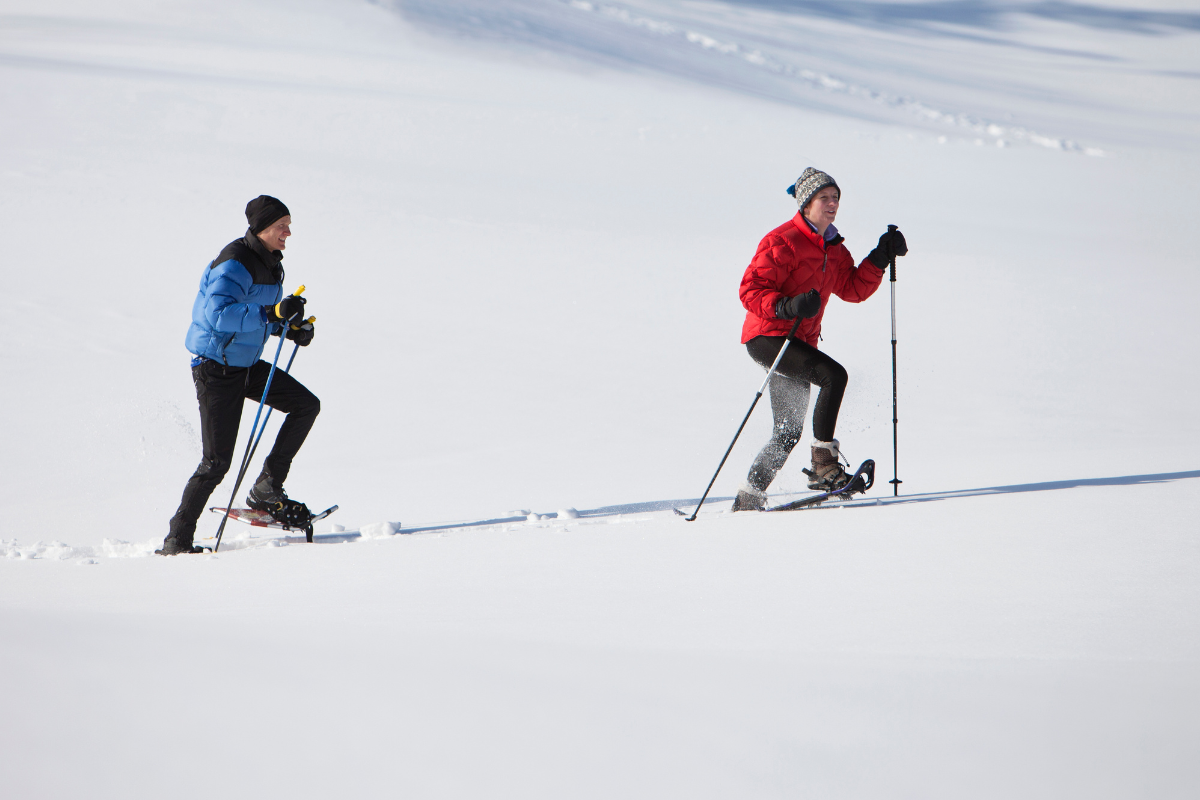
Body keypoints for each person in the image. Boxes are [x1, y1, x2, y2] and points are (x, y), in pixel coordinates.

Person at [731, 168, 906, 512]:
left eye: (836, 198)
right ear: (806, 204)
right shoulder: (781, 241)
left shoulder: (834, 250)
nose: (833, 204)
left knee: (787, 433)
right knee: (833, 375)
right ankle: (824, 466)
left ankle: (748, 498)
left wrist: (880, 256)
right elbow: (749, 290)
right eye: (825, 198)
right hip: (768, 336)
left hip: (800, 342)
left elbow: (853, 289)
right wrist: (787, 305)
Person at [158, 196, 320, 555]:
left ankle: (267, 487)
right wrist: (271, 312)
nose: (288, 233)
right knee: (217, 462)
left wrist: (288, 326)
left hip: (245, 364)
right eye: (282, 226)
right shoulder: (235, 262)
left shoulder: (271, 264)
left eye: (288, 225)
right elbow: (219, 315)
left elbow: (257, 316)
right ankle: (177, 539)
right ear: (263, 228)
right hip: (215, 368)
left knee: (306, 406)